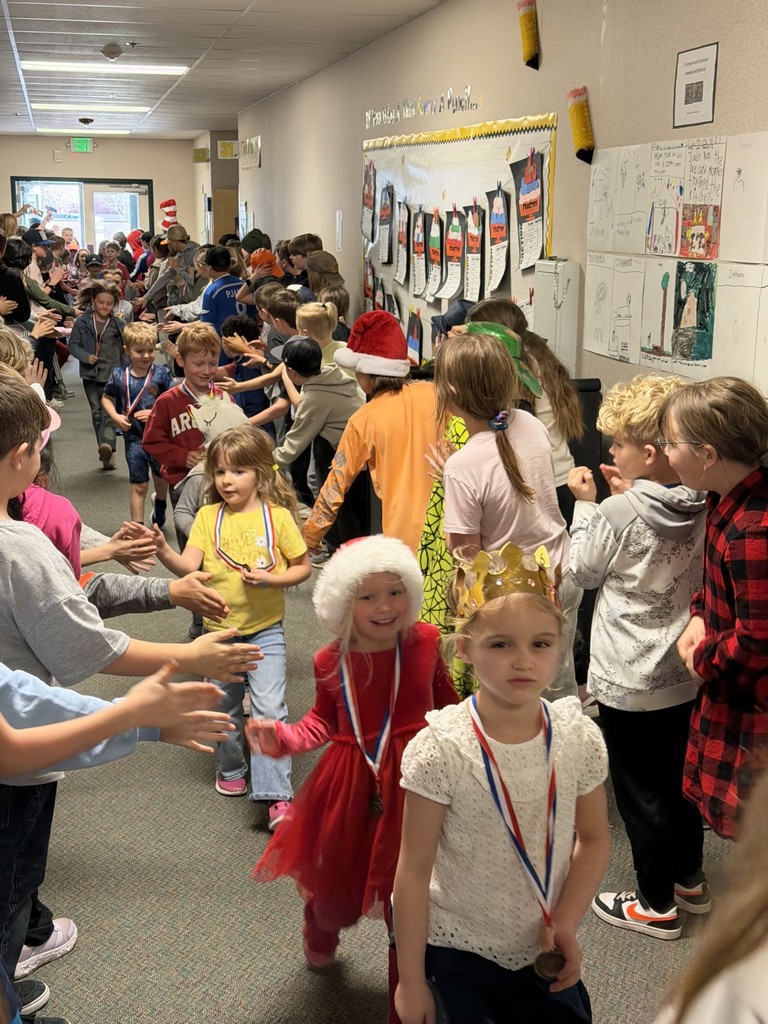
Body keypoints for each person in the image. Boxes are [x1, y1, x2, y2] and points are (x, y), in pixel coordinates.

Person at [0, 367, 261, 1010]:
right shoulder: (19, 546)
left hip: (31, 734)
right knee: (11, 890)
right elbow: (73, 653)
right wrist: (169, 674)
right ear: (19, 456)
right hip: (19, 773)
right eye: (38, 449)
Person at [248, 536, 458, 1007]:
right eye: (368, 596)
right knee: (336, 885)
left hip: (421, 779)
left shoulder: (424, 640)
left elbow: (445, 701)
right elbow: (322, 720)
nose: (385, 607)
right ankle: (320, 929)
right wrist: (283, 739)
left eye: (395, 592)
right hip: (352, 785)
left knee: (415, 886)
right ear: (344, 603)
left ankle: (408, 972)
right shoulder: (330, 659)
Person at [394, 589, 610, 1024]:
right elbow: (413, 871)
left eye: (541, 643)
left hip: (544, 943)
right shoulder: (441, 749)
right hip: (457, 946)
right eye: (501, 643)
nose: (524, 659)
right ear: (466, 648)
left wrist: (565, 920)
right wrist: (411, 980)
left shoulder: (577, 738)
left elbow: (594, 839)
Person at [567, 375, 708, 940]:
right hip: (684, 672)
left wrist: (588, 507)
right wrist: (631, 489)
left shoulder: (615, 512)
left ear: (647, 454)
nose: (608, 452)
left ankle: (653, 903)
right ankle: (688, 880)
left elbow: (582, 571)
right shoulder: (704, 499)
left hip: (628, 678)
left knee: (637, 791)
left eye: (617, 444)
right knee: (678, 782)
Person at [151, 424, 311, 819]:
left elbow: (303, 567)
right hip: (218, 635)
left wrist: (273, 579)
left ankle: (276, 794)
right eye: (219, 472)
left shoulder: (277, 518)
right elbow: (188, 566)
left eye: (238, 471)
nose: (226, 480)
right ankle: (231, 767)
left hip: (266, 630)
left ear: (260, 473)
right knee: (223, 706)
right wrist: (163, 551)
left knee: (269, 707)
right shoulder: (207, 517)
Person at [436, 331, 580, 698]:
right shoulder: (528, 423)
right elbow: (512, 483)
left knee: (516, 693)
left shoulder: (462, 466)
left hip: (513, 595)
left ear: (450, 393)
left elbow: (466, 553)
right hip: (561, 572)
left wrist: (452, 479)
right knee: (556, 682)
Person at [658, 376, 768, 840]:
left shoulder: (755, 531)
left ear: (707, 454)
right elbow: (719, 584)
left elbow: (758, 641)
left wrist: (700, 658)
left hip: (750, 703)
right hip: (728, 690)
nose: (665, 452)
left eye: (671, 442)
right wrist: (700, 615)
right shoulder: (722, 498)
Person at [303, 311, 440, 554]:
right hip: (448, 524)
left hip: (402, 535)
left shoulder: (363, 419)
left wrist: (311, 535)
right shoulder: (435, 395)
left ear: (366, 371)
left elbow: (335, 485)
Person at [654, 768, 768, 1024]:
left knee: (645, 779)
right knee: (677, 763)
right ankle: (689, 882)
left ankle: (655, 904)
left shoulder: (730, 990)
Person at [466, 299, 584, 525]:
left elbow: (507, 430)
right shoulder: (540, 356)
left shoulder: (517, 371)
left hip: (540, 484)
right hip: (563, 478)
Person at [274, 337, 367, 551]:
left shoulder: (315, 398)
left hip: (348, 462)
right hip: (358, 456)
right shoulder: (333, 375)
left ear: (292, 372)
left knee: (344, 515)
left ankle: (340, 553)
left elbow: (292, 446)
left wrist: (266, 463)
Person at [101, 322, 175, 525]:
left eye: (151, 350)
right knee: (138, 484)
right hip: (134, 438)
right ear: (127, 351)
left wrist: (154, 413)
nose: (146, 356)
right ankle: (138, 528)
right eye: (139, 351)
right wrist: (115, 416)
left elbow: (173, 401)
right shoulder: (119, 375)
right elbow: (106, 398)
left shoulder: (162, 374)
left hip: (159, 437)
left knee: (161, 478)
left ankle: (160, 503)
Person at [141, 323, 229, 490]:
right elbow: (151, 441)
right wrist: (182, 457)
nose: (206, 370)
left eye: (212, 363)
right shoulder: (166, 402)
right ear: (180, 360)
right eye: (199, 364)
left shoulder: (225, 398)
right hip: (182, 481)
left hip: (221, 480)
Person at [68, 281, 125, 470]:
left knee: (109, 413)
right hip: (90, 374)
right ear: (93, 301)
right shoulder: (82, 322)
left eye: (109, 304)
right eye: (101, 302)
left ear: (114, 304)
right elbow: (73, 345)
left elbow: (129, 346)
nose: (105, 307)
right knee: (96, 413)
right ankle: (104, 449)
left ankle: (107, 446)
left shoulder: (118, 324)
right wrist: (85, 356)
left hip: (112, 374)